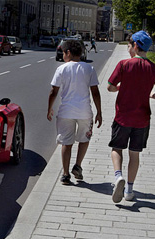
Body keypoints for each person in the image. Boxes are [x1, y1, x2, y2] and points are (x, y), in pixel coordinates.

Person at [107, 30, 155, 203]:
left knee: (117, 148)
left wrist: (119, 88)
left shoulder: (124, 65)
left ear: (135, 46)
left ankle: (118, 176)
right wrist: (153, 96)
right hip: (142, 119)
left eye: (129, 44)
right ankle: (129, 190)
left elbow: (110, 86)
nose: (128, 47)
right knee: (135, 154)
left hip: (122, 117)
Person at [47, 39, 102, 185]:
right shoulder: (89, 69)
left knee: (66, 142)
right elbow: (95, 92)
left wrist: (49, 109)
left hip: (66, 112)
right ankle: (77, 166)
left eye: (63, 52)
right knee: (84, 139)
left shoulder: (61, 69)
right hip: (85, 112)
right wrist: (99, 112)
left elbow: (54, 91)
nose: (63, 55)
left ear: (68, 53)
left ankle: (65, 174)